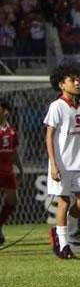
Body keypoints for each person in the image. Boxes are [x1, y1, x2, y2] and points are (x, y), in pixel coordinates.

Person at [44, 63, 80, 259]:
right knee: (64, 201)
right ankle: (64, 245)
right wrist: (53, 164)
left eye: (77, 79)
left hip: (78, 163)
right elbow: (48, 136)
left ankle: (59, 232)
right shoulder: (57, 106)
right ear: (61, 85)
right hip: (62, 163)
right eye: (71, 80)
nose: (77, 83)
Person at [0, 98, 22, 245]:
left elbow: (13, 152)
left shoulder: (11, 130)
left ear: (5, 111)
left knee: (13, 201)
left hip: (8, 171)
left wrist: (20, 168)